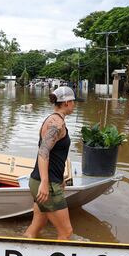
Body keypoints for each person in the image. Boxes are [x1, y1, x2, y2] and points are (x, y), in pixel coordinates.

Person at [23, 86, 76, 240]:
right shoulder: (56, 124)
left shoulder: (52, 119)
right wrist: (46, 182)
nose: (74, 105)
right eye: (73, 102)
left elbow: (54, 154)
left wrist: (60, 178)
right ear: (66, 102)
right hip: (46, 185)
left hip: (39, 181)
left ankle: (23, 249)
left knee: (37, 226)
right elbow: (43, 153)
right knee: (66, 232)